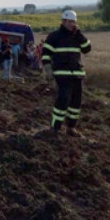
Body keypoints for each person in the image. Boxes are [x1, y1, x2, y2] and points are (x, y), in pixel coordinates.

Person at [41, 9, 91, 138]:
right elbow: (46, 54)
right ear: (63, 21)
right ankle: (54, 128)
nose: (72, 24)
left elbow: (87, 49)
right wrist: (48, 69)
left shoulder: (77, 36)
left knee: (76, 103)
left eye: (74, 22)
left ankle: (71, 128)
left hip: (77, 74)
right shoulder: (54, 36)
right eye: (69, 22)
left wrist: (79, 34)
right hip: (62, 74)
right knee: (63, 100)